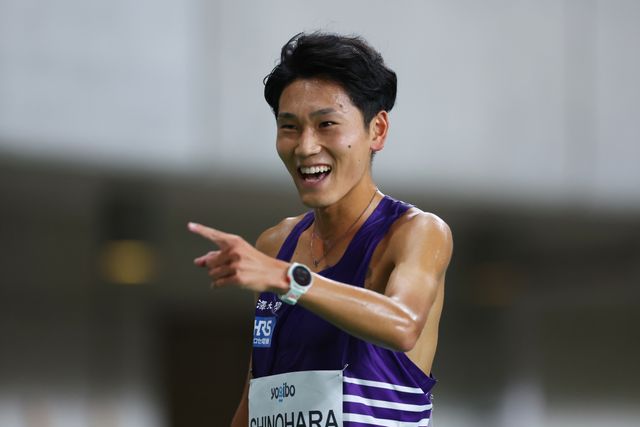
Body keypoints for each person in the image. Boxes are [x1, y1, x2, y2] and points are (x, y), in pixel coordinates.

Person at [189, 32, 453, 427]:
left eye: (326, 124)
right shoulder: (276, 244)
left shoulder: (416, 232)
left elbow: (403, 324)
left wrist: (287, 278)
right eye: (289, 127)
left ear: (377, 130)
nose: (305, 146)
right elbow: (257, 395)